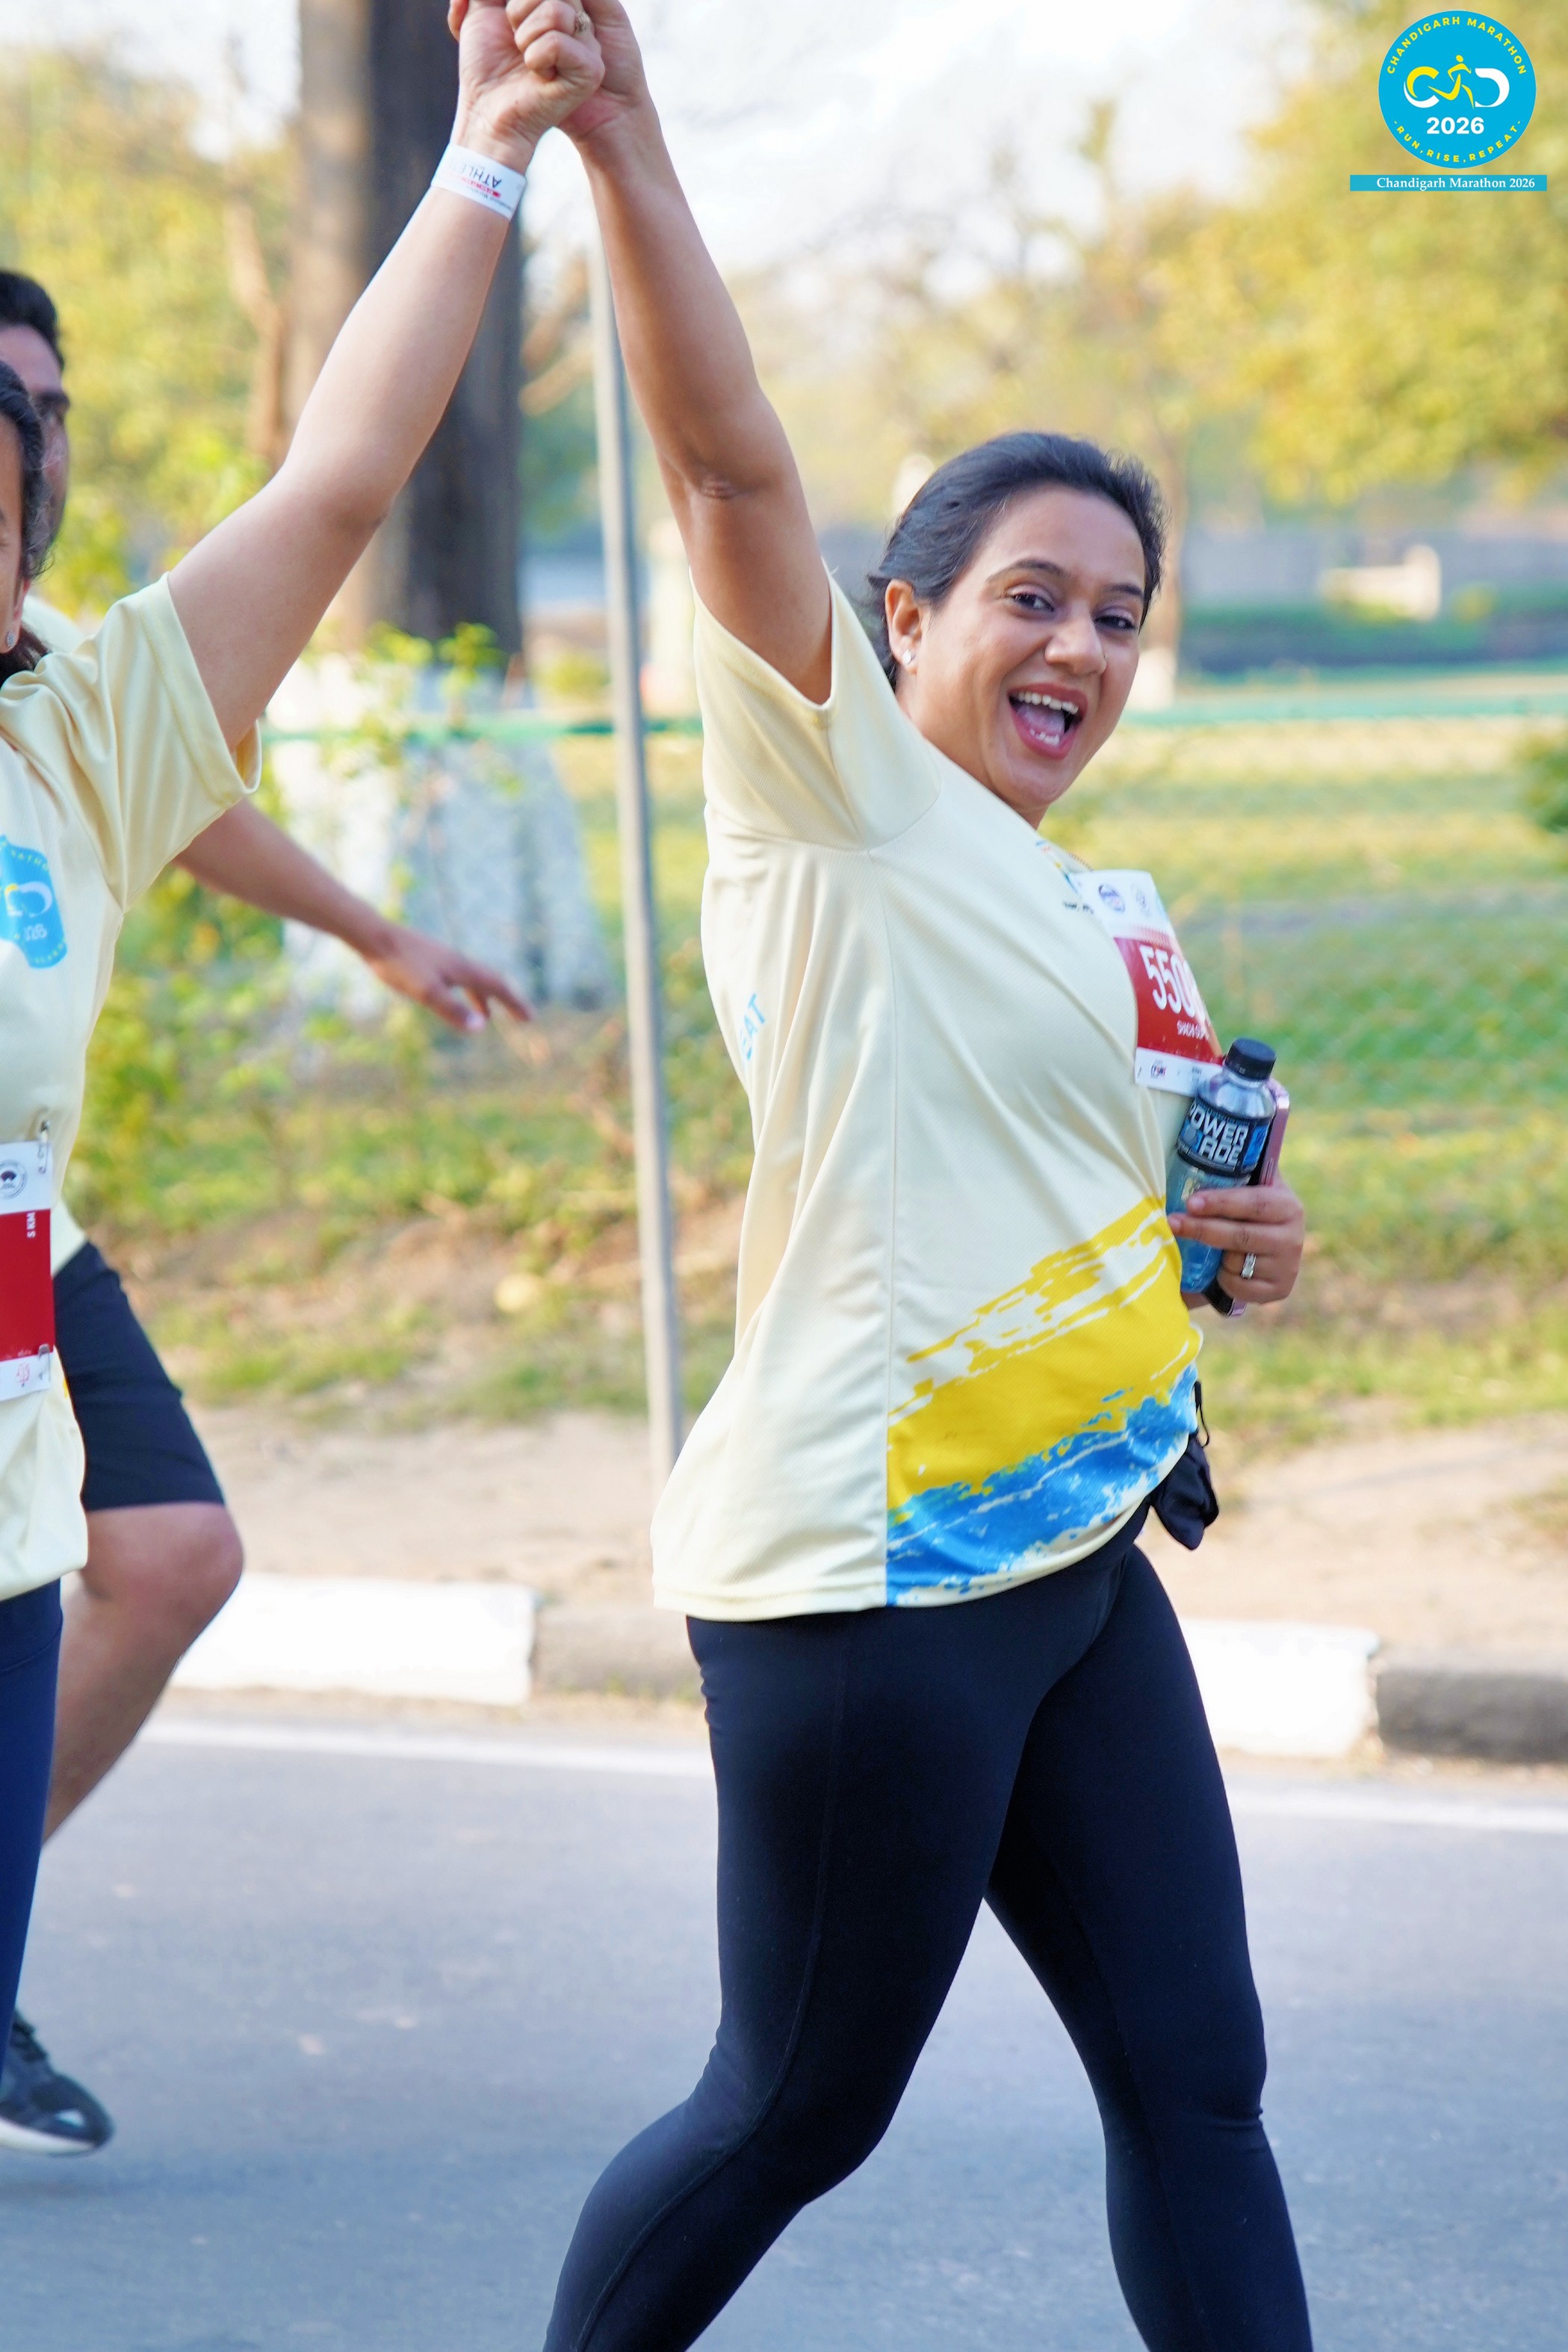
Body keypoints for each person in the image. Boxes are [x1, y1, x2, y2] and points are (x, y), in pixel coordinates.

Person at [531, 5, 1315, 2348]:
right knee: (790, 2108)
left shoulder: (1111, 907)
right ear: (904, 623)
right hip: (867, 1587)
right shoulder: (838, 806)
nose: (1078, 642)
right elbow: (727, 471)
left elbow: (1153, 1218)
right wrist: (623, 142)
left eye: (1117, 613)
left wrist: (1240, 1245)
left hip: (1076, 1553)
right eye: (1029, 595)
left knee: (1198, 2078)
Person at [0, 0, 603, 2170]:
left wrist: (490, 143)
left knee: (167, 1549)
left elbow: (338, 475)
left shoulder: (74, 729)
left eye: (17, 464)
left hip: (7, 1412)